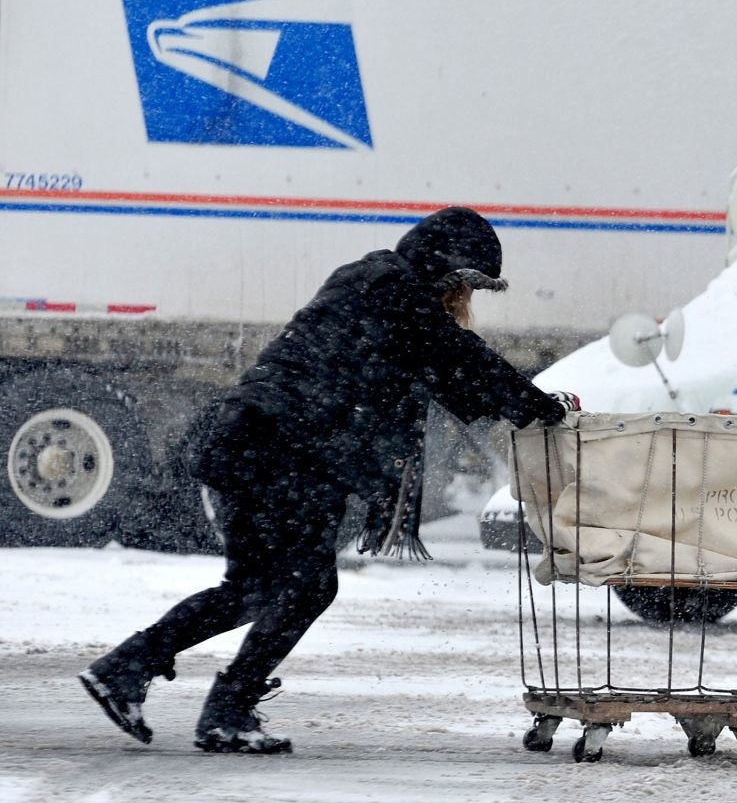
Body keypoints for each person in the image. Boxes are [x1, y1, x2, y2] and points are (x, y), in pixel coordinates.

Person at [78, 206, 578, 754]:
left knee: (255, 588)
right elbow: (462, 361)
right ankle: (223, 707)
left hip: (253, 441)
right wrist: (538, 406)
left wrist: (522, 402)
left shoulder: (371, 281)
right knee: (306, 588)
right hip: (287, 452)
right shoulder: (395, 290)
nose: (464, 296)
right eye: (465, 283)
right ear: (444, 268)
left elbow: (448, 373)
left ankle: (130, 669)